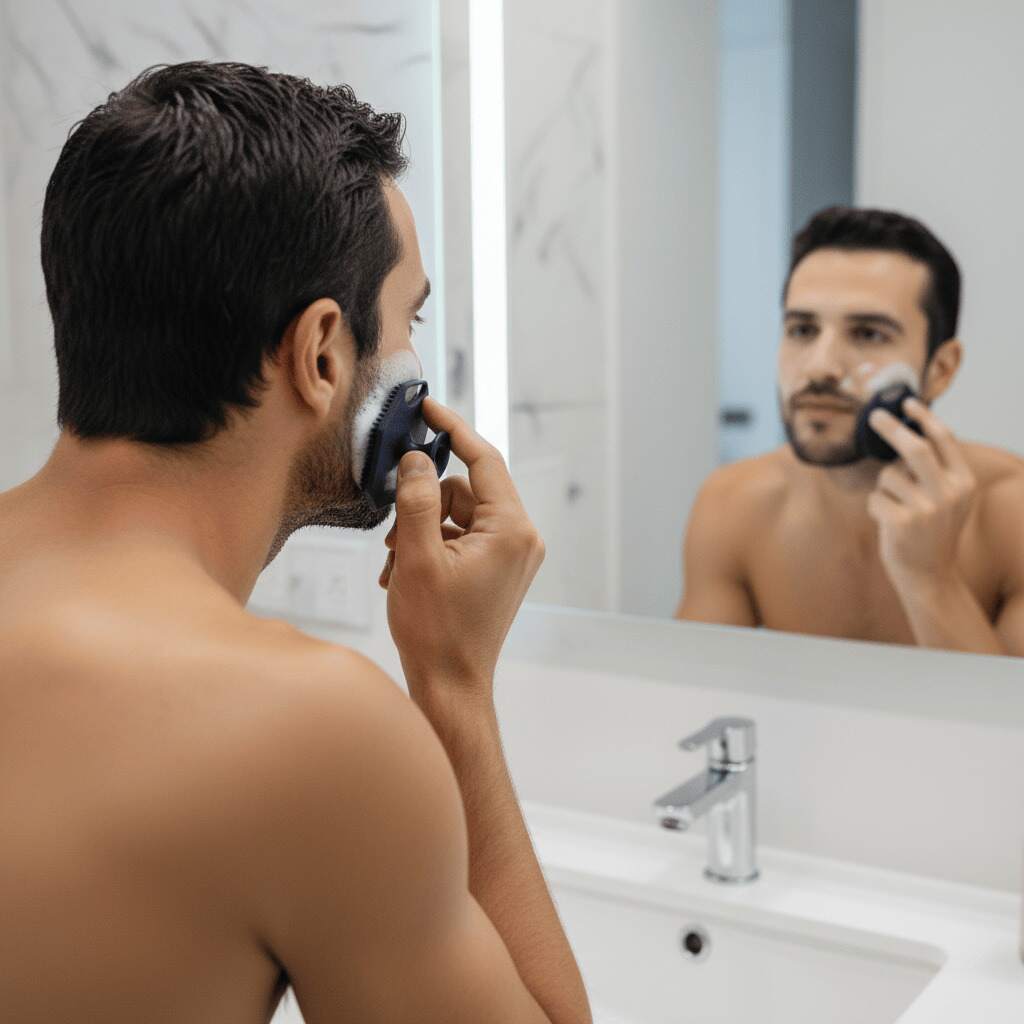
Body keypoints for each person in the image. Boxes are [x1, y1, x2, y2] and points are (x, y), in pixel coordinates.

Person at [0, 61, 591, 1024]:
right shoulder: (304, 729)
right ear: (322, 354)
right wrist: (454, 688)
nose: (417, 357)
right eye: (411, 318)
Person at [676, 206, 1024, 656]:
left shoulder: (1012, 512)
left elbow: (1005, 724)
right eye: (802, 329)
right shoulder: (733, 504)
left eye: (868, 334)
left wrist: (931, 579)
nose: (820, 366)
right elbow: (694, 698)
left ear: (941, 369)